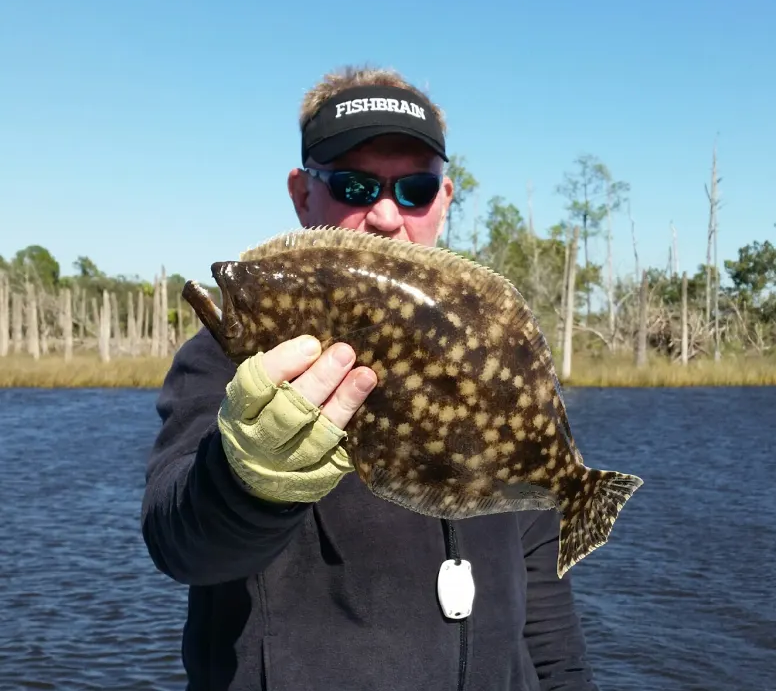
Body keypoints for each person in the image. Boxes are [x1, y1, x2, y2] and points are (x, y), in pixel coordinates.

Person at [141, 65, 599, 690]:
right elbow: (180, 541)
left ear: (445, 198)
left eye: (414, 189)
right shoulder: (230, 364)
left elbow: (544, 614)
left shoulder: (491, 366)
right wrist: (245, 483)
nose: (385, 215)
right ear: (303, 194)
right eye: (354, 185)